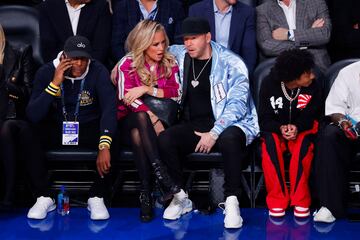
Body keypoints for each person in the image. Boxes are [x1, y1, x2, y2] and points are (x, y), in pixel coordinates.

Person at [158, 17, 259, 229]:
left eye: (193, 38)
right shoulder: (179, 54)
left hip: (231, 122)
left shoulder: (232, 62)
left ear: (208, 37)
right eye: (185, 39)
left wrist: (215, 132)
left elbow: (238, 104)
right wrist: (122, 65)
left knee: (230, 139)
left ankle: (232, 202)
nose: (188, 43)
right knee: (167, 138)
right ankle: (180, 196)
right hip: (195, 124)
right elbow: (146, 48)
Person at [26, 35, 117, 220]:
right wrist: (55, 83)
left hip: (88, 126)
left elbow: (109, 110)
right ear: (63, 57)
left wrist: (104, 145)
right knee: (28, 131)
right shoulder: (46, 72)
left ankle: (97, 195)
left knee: (114, 132)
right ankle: (44, 196)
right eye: (74, 58)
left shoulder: (98, 71)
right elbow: (33, 114)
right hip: (58, 127)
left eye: (84, 59)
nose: (80, 64)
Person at [114, 20, 181, 222]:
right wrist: (152, 117)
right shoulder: (127, 63)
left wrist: (147, 89)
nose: (161, 49)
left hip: (162, 121)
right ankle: (163, 178)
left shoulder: (170, 62)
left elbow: (176, 93)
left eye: (163, 43)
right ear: (143, 44)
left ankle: (146, 192)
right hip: (129, 120)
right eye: (155, 44)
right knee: (139, 120)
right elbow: (126, 99)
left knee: (139, 135)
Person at [258, 49, 321, 218]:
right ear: (293, 77)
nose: (312, 76)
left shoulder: (314, 86)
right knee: (270, 145)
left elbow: (314, 115)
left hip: (303, 130)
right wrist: (280, 128)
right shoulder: (268, 84)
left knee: (304, 146)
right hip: (275, 129)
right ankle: (277, 199)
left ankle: (301, 199)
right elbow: (264, 118)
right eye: (307, 74)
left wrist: (297, 127)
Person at [313, 61, 360, 223]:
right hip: (352, 127)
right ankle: (329, 207)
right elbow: (334, 109)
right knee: (329, 135)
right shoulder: (348, 73)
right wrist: (343, 123)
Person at [0, 24, 37, 210]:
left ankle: (9, 193)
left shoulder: (21, 51)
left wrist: (5, 84)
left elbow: (28, 94)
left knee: (5, 129)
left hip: (13, 115)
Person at [256, 0, 331, 73]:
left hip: (315, 64)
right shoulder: (263, 10)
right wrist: (307, 39)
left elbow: (324, 34)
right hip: (283, 66)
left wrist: (289, 34)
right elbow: (267, 46)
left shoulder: (316, 3)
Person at [189, 0, 257, 74]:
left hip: (233, 73)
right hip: (204, 71)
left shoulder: (247, 12)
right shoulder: (196, 10)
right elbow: (193, 47)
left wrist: (241, 77)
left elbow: (249, 52)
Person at [38, 0, 111, 64]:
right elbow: (48, 45)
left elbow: (101, 47)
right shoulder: (48, 7)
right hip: (59, 66)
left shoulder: (101, 6)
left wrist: (84, 67)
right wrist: (65, 64)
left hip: (91, 67)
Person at [111, 0, 185, 60]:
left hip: (165, 65)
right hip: (132, 67)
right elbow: (117, 44)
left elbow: (178, 43)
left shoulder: (175, 6)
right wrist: (125, 63)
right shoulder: (123, 6)